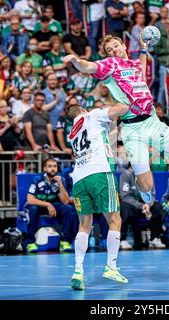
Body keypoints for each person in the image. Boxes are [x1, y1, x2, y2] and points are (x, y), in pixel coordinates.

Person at [63, 35, 169, 208]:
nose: (114, 51)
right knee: (147, 185)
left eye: (115, 46)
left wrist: (143, 50)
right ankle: (142, 186)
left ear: (124, 46)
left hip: (152, 122)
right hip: (132, 130)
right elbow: (88, 66)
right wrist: (76, 60)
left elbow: (140, 72)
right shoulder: (110, 65)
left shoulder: (134, 64)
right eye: (109, 50)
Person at [65, 103, 129, 290]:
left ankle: (78, 270)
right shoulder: (92, 116)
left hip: (79, 179)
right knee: (115, 220)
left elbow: (106, 138)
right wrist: (116, 102)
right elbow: (122, 108)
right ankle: (111, 266)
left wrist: (116, 126)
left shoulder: (73, 132)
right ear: (83, 110)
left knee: (84, 225)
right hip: (99, 173)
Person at [25, 158, 77, 253]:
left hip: (54, 205)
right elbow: (30, 200)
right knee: (32, 209)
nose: (53, 169)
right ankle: (30, 243)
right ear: (45, 168)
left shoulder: (60, 179)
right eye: (50, 166)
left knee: (68, 209)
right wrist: (48, 205)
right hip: (39, 205)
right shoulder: (37, 179)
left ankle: (65, 241)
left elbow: (65, 201)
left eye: (55, 166)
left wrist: (60, 184)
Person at [119, 162, 166, 250]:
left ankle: (155, 238)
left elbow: (152, 194)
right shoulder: (126, 175)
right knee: (123, 207)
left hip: (146, 205)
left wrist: (148, 205)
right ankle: (122, 239)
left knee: (158, 207)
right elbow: (124, 196)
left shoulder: (148, 175)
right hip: (132, 205)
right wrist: (141, 206)